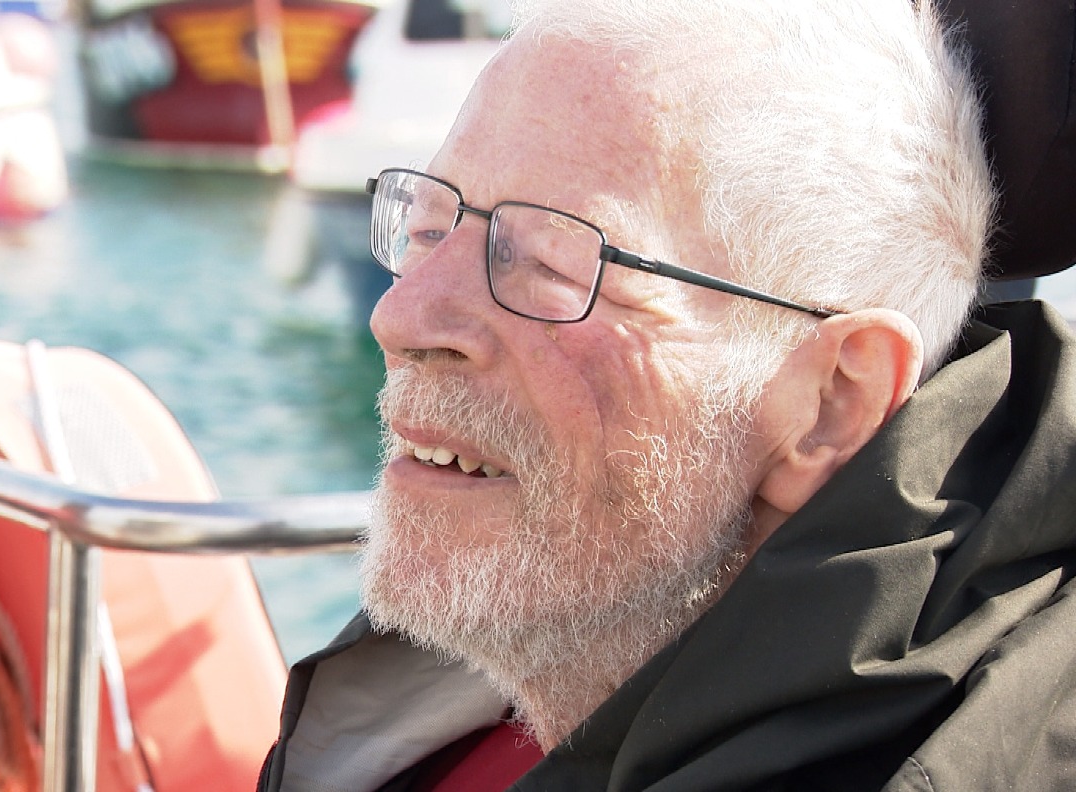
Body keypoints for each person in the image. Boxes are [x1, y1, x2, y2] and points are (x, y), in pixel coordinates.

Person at [258, 0, 1076, 789]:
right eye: (429, 228)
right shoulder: (537, 643)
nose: (400, 317)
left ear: (832, 402)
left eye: (552, 264)